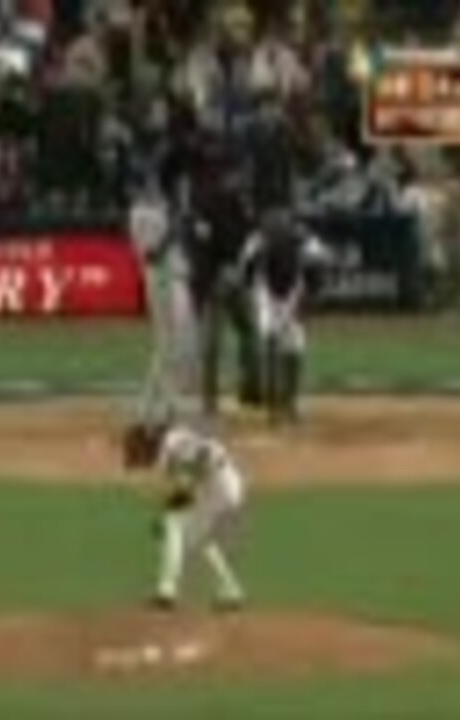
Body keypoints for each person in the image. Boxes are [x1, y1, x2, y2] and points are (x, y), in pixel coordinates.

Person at [123, 421, 247, 611]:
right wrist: (171, 504)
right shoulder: (173, 442)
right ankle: (230, 590)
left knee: (174, 523)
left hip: (219, 486)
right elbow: (186, 485)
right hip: (218, 484)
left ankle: (167, 592)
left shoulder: (173, 444)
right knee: (194, 536)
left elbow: (188, 483)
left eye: (140, 446)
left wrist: (167, 508)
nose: (138, 453)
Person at [239, 208, 329, 423]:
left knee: (295, 345)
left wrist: (303, 305)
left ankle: (290, 401)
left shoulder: (307, 242)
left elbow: (318, 273)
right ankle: (273, 402)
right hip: (265, 291)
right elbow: (246, 272)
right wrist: (253, 295)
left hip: (295, 290)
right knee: (269, 338)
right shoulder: (257, 242)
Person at [129, 172, 199, 424]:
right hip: (160, 281)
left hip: (175, 278)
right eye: (147, 184)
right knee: (166, 345)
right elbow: (153, 254)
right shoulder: (138, 214)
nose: (153, 187)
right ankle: (155, 408)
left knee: (182, 344)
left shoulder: (161, 208)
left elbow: (180, 240)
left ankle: (163, 405)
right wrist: (176, 225)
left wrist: (180, 220)